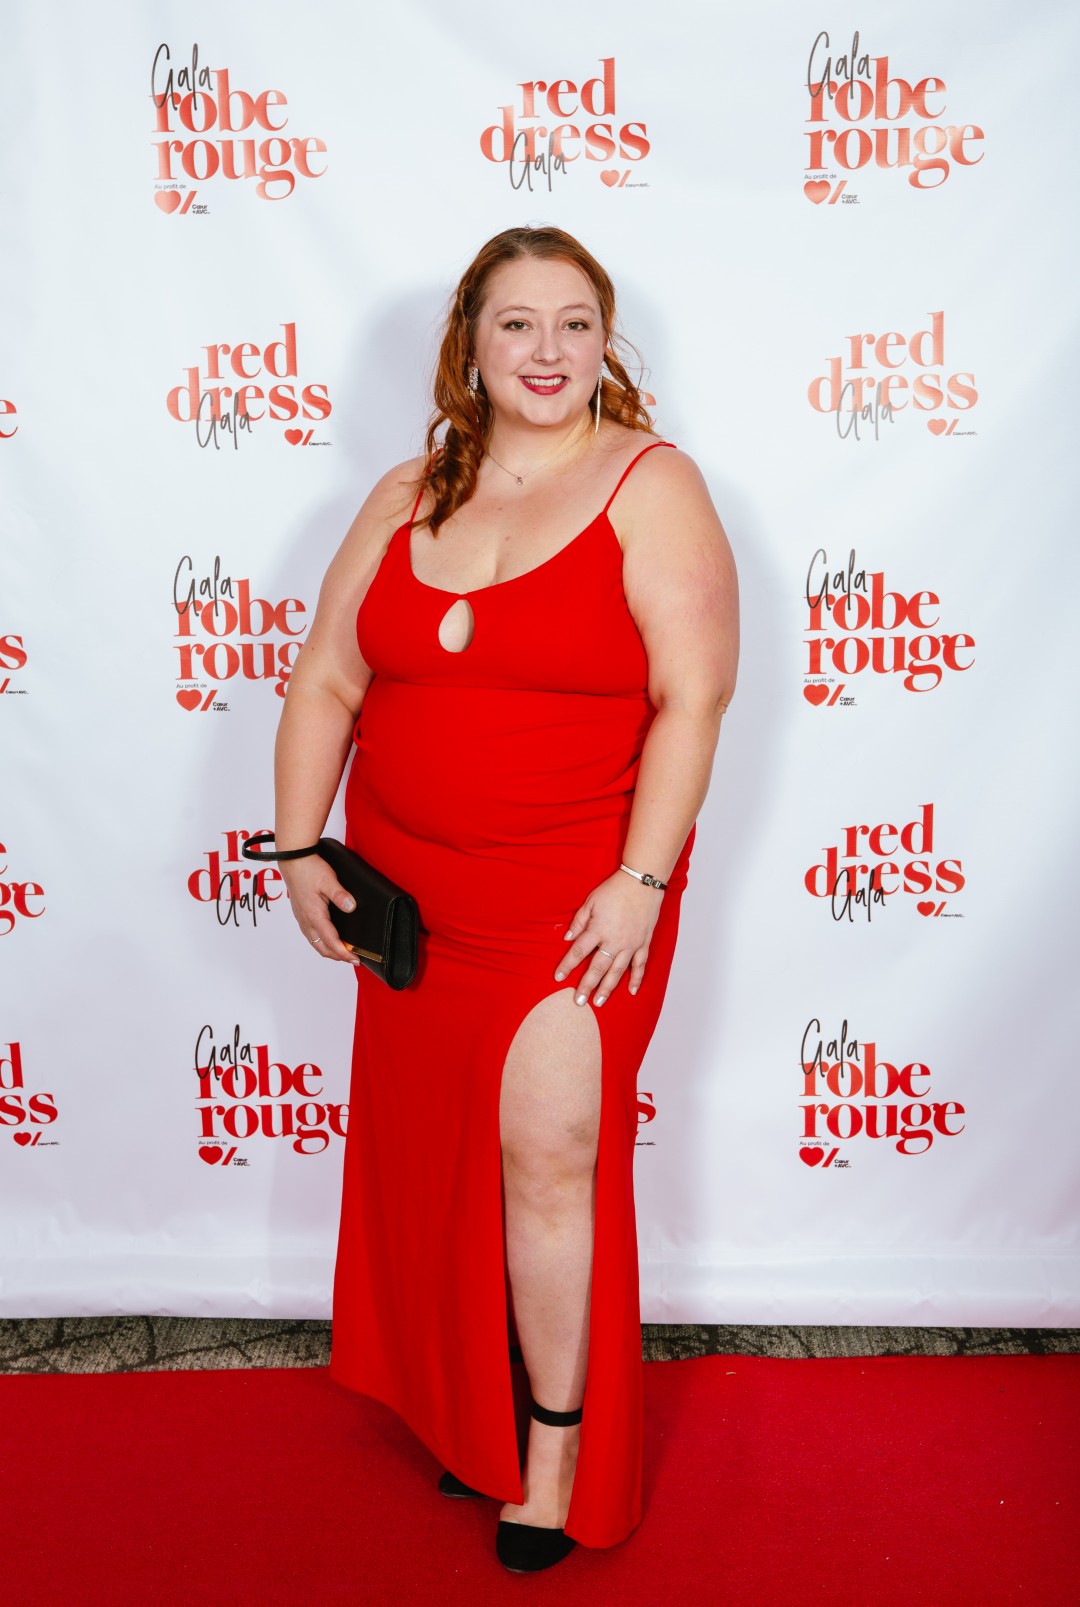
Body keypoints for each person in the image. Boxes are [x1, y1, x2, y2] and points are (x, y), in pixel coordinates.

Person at [272, 224, 738, 1574]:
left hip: (573, 899)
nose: (548, 350)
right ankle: (467, 1413)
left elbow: (694, 699)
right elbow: (328, 679)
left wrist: (641, 881)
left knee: (547, 1158)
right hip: (412, 900)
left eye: (575, 322)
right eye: (517, 323)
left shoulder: (652, 484)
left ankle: (553, 1448)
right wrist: (297, 849)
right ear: (469, 344)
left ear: (606, 343)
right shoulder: (406, 492)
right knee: (441, 1164)